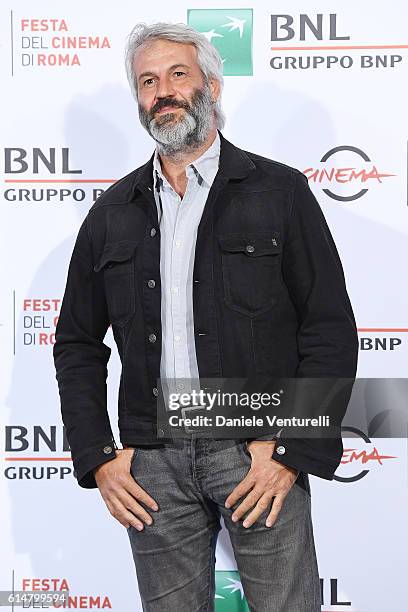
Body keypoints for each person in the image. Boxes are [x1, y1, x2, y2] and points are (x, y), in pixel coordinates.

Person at [53, 21, 358, 612]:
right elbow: (76, 344)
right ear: (138, 98)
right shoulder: (112, 212)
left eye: (177, 74)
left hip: (257, 448)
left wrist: (293, 449)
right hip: (152, 460)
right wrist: (96, 456)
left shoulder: (280, 191)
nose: (162, 91)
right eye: (148, 81)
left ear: (211, 88)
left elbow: (328, 329)